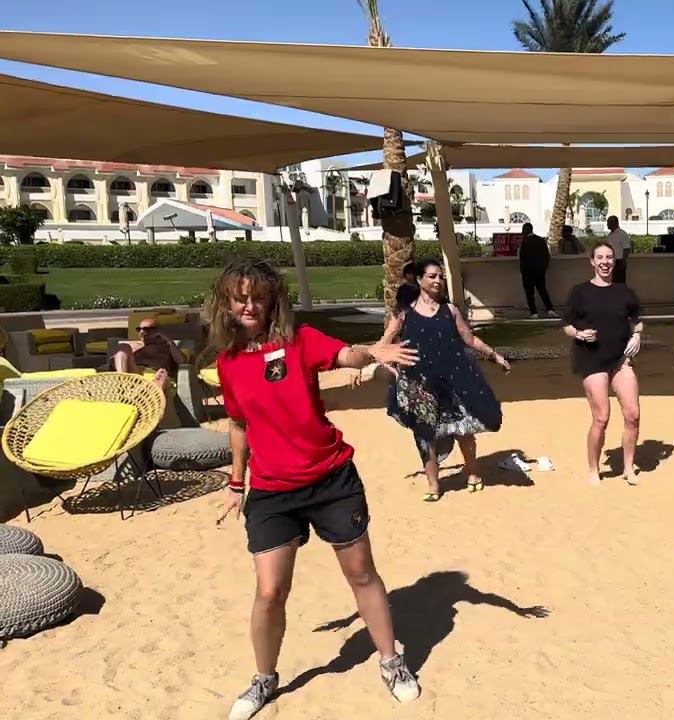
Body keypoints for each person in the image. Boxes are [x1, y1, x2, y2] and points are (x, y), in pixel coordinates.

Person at [209, 258, 422, 720]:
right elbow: (239, 424)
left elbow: (346, 356)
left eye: (258, 297)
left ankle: (391, 661)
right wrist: (236, 482)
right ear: (226, 302)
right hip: (272, 491)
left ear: (272, 300)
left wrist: (373, 351)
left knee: (361, 573)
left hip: (331, 479)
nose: (250, 306)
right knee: (270, 591)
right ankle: (264, 678)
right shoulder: (228, 362)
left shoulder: (299, 340)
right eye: (240, 298)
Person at [382, 259, 509, 502]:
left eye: (440, 276)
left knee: (463, 429)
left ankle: (472, 472)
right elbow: (384, 344)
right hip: (418, 385)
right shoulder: (404, 313)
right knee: (425, 434)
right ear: (419, 279)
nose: (438, 281)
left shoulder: (450, 310)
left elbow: (470, 339)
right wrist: (378, 366)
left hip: (453, 380)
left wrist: (494, 355)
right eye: (432, 276)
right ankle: (433, 485)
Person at [562, 242, 644, 486]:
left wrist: (637, 335)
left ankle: (628, 467)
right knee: (601, 417)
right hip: (591, 358)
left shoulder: (624, 291)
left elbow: (638, 319)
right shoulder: (580, 292)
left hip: (620, 359)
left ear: (614, 261)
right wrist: (579, 334)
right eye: (600, 257)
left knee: (633, 414)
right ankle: (593, 469)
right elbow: (567, 325)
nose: (605, 262)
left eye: (609, 257)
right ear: (592, 261)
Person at [109, 316, 185, 387]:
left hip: (155, 375)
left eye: (146, 329)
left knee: (160, 378)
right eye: (139, 329)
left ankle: (149, 387)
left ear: (157, 331)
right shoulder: (132, 346)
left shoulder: (166, 346)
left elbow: (181, 360)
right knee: (123, 347)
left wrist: (168, 341)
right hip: (135, 374)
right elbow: (113, 363)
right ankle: (121, 382)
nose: (141, 332)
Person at [518, 222, 555, 318]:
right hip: (539, 270)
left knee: (529, 293)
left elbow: (522, 258)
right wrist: (544, 267)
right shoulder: (540, 240)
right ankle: (550, 309)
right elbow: (547, 255)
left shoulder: (524, 242)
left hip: (528, 271)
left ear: (525, 230)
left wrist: (522, 270)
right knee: (542, 290)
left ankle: (534, 312)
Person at [605, 215, 631, 284]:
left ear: (615, 223)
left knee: (619, 282)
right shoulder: (610, 235)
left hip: (619, 262)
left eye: (609, 222)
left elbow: (626, 248)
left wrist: (623, 261)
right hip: (611, 262)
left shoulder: (622, 234)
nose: (607, 224)